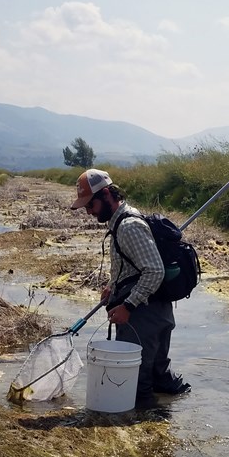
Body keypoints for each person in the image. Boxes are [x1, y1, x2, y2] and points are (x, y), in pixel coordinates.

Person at [71, 168, 190, 409]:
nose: (89, 212)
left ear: (106, 194)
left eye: (90, 205)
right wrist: (112, 286)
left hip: (144, 316)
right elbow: (133, 264)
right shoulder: (121, 221)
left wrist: (127, 305)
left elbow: (154, 270)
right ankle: (164, 420)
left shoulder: (128, 226)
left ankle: (145, 431)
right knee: (157, 378)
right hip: (154, 311)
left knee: (137, 387)